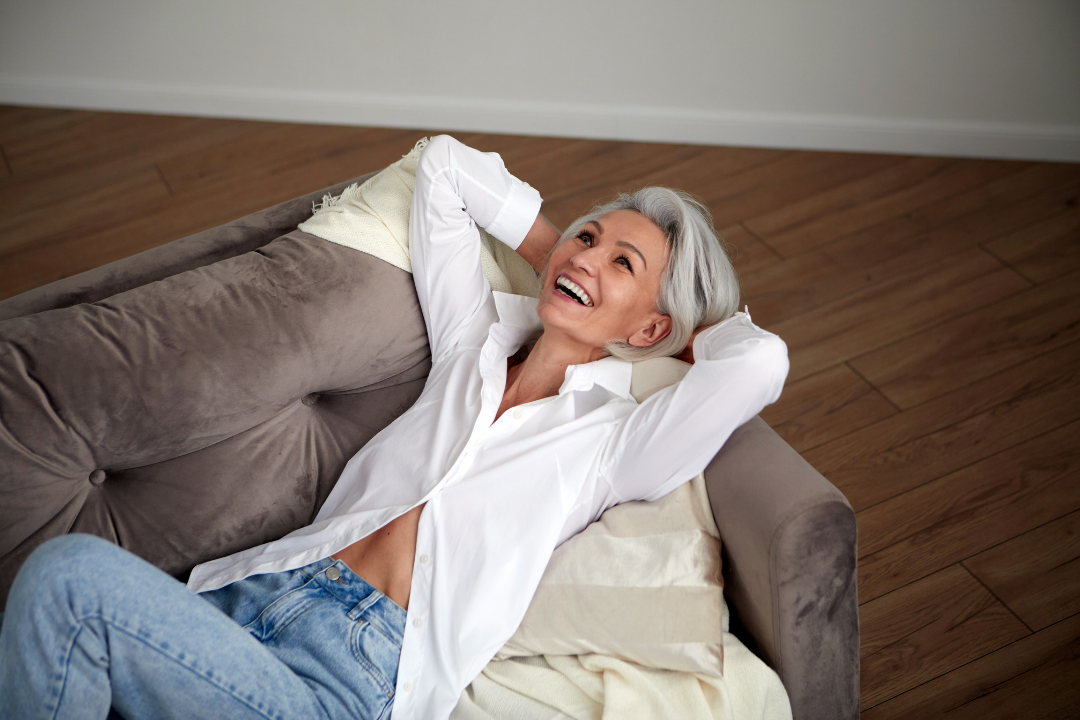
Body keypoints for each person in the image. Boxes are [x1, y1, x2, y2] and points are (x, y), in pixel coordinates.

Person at [0, 135, 789, 720]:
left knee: (70, 578)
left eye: (624, 264)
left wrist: (684, 334)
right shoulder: (471, 344)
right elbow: (443, 166)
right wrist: (561, 256)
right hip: (241, 601)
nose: (589, 257)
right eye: (591, 236)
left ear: (650, 329)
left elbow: (758, 366)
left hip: (349, 678)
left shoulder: (617, 445)